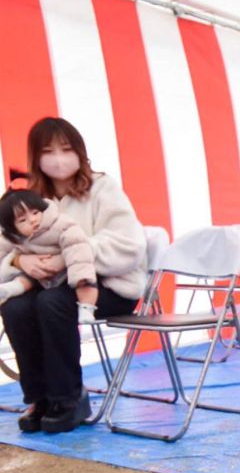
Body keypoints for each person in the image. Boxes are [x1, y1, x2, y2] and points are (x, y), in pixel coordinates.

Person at [0, 117, 147, 434]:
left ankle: (68, 398)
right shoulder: (30, 200)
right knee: (16, 307)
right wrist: (20, 262)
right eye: (47, 150)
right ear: (36, 158)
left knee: (52, 303)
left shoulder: (102, 187)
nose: (58, 158)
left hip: (110, 287)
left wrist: (66, 259)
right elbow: (5, 247)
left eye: (66, 149)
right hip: (52, 287)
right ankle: (39, 399)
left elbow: (130, 246)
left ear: (80, 152)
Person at [0, 189, 99, 323]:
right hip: (39, 277)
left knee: (84, 282)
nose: (32, 220)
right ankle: (12, 288)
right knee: (25, 279)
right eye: (22, 220)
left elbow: (77, 247)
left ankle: (87, 308)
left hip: (69, 272)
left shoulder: (61, 224)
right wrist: (17, 260)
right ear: (13, 228)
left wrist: (77, 272)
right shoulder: (16, 237)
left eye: (35, 213)